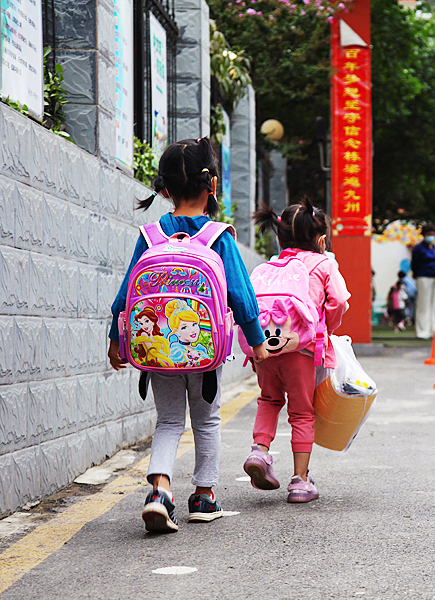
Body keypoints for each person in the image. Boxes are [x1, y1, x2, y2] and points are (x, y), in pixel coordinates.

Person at [107, 137, 270, 532]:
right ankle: (203, 495)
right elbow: (241, 295)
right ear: (211, 185)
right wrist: (257, 340)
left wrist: (117, 337)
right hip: (205, 352)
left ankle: (160, 491)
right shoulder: (219, 236)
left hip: (157, 348)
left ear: (164, 190)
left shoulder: (150, 235)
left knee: (167, 422)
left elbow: (127, 293)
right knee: (207, 421)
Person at [242, 198, 351, 503]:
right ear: (321, 240)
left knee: (268, 399)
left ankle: (260, 452)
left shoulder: (269, 266)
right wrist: (325, 327)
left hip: (265, 349)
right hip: (302, 350)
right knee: (302, 413)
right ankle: (300, 481)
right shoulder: (324, 263)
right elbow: (340, 301)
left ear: (279, 237)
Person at [411, 224, 435, 339]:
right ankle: (422, 331)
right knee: (423, 304)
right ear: (424, 235)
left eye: (433, 234)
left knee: (433, 304)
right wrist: (416, 274)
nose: (431, 236)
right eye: (429, 234)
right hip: (423, 276)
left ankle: (432, 329)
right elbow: (415, 264)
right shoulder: (418, 248)